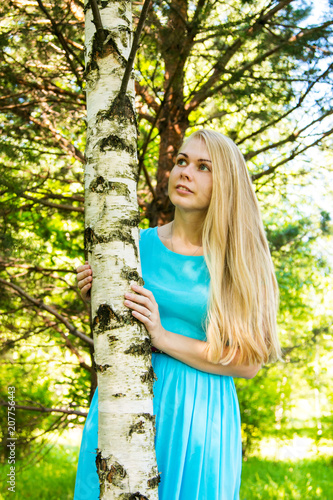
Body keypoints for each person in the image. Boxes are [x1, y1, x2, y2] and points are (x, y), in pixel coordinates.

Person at [74, 129, 281, 500]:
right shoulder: (132, 244)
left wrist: (163, 337)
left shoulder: (242, 262)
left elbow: (248, 362)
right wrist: (96, 294)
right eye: (182, 161)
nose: (185, 172)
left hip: (199, 416)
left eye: (204, 167)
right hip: (123, 403)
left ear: (228, 184)